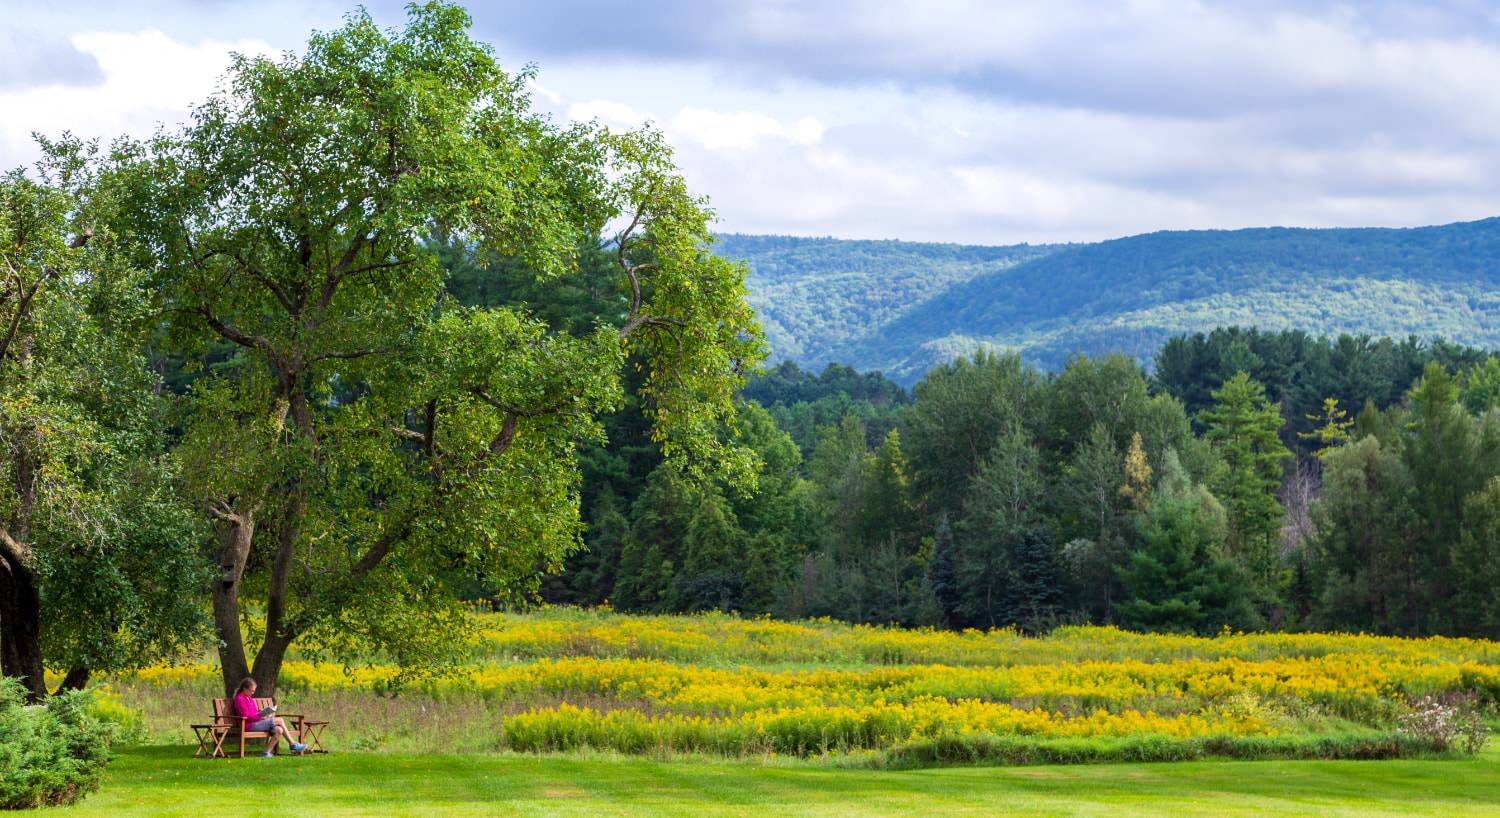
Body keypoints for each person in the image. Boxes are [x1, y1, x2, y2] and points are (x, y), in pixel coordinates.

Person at [233, 677, 307, 757]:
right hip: (248, 725)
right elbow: (246, 716)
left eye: (254, 690)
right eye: (251, 690)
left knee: (279, 730)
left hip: (256, 722)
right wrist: (260, 716)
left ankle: (266, 753)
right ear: (244, 688)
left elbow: (254, 712)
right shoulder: (240, 699)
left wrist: (264, 714)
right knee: (280, 720)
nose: (253, 693)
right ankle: (293, 744)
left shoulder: (249, 698)